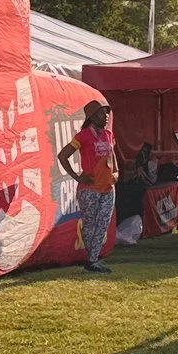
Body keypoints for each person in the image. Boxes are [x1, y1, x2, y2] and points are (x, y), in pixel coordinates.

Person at [55, 99, 120, 275]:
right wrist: (77, 176)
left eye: (107, 113)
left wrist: (116, 171)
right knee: (90, 224)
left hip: (108, 188)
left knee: (103, 224)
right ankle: (92, 260)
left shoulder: (108, 134)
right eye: (101, 113)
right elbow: (62, 156)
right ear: (92, 116)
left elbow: (112, 154)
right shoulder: (83, 136)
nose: (106, 116)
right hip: (89, 190)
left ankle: (92, 260)